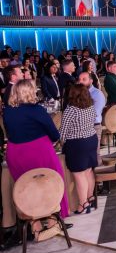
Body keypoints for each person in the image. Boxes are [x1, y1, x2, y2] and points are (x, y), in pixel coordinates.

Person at [2, 80, 69, 244]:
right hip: (39, 150)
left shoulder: (7, 112)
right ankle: (53, 223)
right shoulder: (37, 110)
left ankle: (35, 227)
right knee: (52, 182)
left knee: (26, 187)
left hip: (16, 153)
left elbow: (10, 132)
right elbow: (54, 134)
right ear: (30, 92)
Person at [59, 84, 98, 214]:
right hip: (91, 139)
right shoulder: (91, 107)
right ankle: (90, 197)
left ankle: (83, 204)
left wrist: (59, 142)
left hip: (77, 144)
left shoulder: (71, 110)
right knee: (88, 171)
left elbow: (63, 132)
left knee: (79, 174)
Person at [79, 72, 106, 164]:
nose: (80, 82)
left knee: (94, 154)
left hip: (94, 126)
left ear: (91, 81)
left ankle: (98, 172)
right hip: (81, 127)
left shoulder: (97, 94)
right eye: (79, 79)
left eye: (84, 79)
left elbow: (95, 114)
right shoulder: (78, 94)